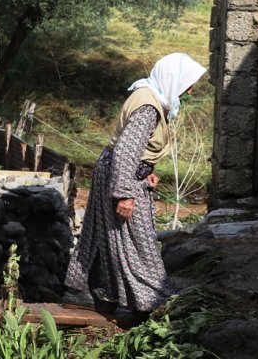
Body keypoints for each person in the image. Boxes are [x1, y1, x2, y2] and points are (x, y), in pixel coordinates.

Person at [62, 52, 206, 314]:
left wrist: (147, 169)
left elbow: (135, 149)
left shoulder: (150, 96)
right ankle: (141, 302)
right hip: (121, 175)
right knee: (138, 241)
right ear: (174, 79)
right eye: (188, 82)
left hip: (118, 171)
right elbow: (127, 150)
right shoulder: (148, 107)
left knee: (99, 230)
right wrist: (124, 194)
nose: (192, 89)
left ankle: (78, 289)